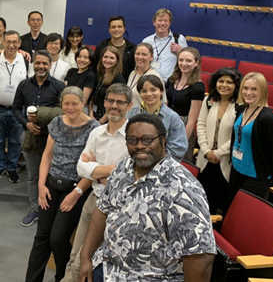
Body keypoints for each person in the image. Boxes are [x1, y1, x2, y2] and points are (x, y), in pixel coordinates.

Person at [77, 114, 215, 282]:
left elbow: (201, 256)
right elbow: (103, 209)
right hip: (108, 267)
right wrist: (85, 257)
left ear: (163, 141)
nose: (140, 146)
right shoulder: (124, 167)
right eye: (132, 141)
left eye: (147, 140)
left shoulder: (182, 188)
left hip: (151, 276)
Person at [61, 84, 132, 282]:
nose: (114, 106)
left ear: (130, 105)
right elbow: (81, 168)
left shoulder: (132, 137)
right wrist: (105, 173)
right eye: (110, 100)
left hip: (116, 207)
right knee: (74, 255)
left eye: (120, 102)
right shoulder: (96, 133)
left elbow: (127, 175)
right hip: (93, 199)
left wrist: (96, 170)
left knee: (85, 261)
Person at [24, 86, 97, 282]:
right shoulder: (56, 122)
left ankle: (63, 277)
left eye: (75, 104)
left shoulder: (94, 129)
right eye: (66, 104)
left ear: (83, 103)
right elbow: (47, 155)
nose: (70, 107)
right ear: (61, 104)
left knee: (57, 238)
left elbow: (93, 168)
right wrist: (41, 185)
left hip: (75, 188)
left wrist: (77, 194)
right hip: (51, 184)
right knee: (41, 237)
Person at [13, 49, 66, 227]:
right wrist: (26, 124)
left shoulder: (59, 86)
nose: (41, 66)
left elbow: (64, 112)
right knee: (33, 175)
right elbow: (16, 108)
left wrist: (43, 121)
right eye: (38, 63)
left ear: (50, 65)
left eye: (45, 63)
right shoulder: (24, 85)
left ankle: (49, 209)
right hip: (29, 136)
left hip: (52, 138)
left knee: (53, 174)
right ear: (33, 64)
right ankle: (35, 209)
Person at [228, 72, 273, 203]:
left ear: (262, 91)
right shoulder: (242, 109)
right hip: (236, 169)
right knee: (231, 209)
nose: (248, 92)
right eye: (245, 88)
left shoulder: (267, 118)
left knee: (246, 214)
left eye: (254, 89)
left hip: (256, 176)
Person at [196, 67, 241, 214]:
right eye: (221, 81)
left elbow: (237, 134)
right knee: (204, 200)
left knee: (222, 203)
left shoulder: (240, 106)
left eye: (229, 82)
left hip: (226, 161)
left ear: (236, 85)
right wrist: (206, 150)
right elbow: (201, 124)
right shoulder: (209, 100)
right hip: (206, 159)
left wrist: (218, 153)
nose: (224, 85)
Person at [0, 30, 29, 183]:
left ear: (19, 43)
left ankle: (11, 167)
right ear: (3, 42)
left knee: (15, 141)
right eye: (8, 42)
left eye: (15, 42)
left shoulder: (25, 60)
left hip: (17, 110)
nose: (11, 45)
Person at [127, 75, 188, 161]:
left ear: (161, 91)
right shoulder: (131, 113)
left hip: (161, 166)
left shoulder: (172, 117)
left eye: (153, 90)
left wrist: (156, 164)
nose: (148, 94)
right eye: (144, 91)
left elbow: (178, 150)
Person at [166, 47, 205, 163]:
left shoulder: (197, 87)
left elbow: (192, 121)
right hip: (168, 124)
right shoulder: (171, 80)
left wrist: (181, 144)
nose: (184, 64)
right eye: (181, 60)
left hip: (184, 128)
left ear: (196, 63)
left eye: (188, 61)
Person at [142, 8, 187, 82]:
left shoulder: (179, 39)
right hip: (150, 82)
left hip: (171, 83)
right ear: (154, 22)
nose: (162, 23)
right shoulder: (147, 41)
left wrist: (180, 51)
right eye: (160, 20)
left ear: (169, 23)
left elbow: (188, 61)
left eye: (165, 21)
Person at [87, 47, 126, 120]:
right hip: (94, 115)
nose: (108, 60)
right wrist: (91, 114)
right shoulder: (100, 75)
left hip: (107, 118)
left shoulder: (118, 78)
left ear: (117, 61)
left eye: (111, 58)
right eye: (105, 57)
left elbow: (117, 105)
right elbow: (93, 97)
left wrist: (101, 122)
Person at [126, 43, 163, 107]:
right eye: (137, 54)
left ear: (151, 57)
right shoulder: (133, 73)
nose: (140, 57)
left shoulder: (155, 76)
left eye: (144, 54)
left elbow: (163, 102)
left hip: (145, 116)